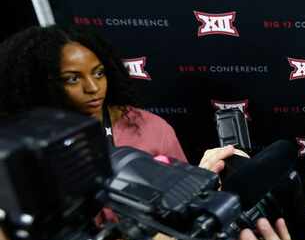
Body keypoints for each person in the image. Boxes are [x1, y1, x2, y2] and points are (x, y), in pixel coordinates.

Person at [0, 25, 187, 161]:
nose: (93, 88)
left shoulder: (150, 128)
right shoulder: (27, 148)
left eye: (99, 73)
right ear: (41, 84)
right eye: (72, 79)